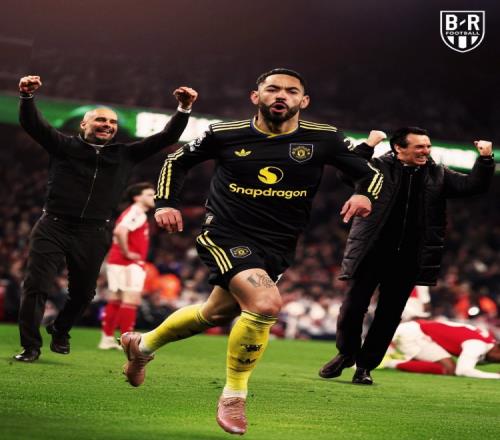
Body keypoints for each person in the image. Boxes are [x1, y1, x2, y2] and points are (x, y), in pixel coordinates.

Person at [118, 67, 385, 435]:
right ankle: (234, 395)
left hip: (279, 243)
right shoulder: (224, 133)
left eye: (291, 91)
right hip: (225, 233)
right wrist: (165, 202)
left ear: (304, 101)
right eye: (272, 89)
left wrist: (364, 193)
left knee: (215, 312)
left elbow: (371, 172)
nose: (282, 96)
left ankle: (142, 345)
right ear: (255, 96)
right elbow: (175, 161)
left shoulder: (324, 138)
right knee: (264, 304)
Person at [14, 75, 197, 362]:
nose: (107, 125)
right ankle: (31, 347)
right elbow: (33, 125)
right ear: (84, 125)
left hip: (94, 231)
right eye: (100, 120)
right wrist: (27, 97)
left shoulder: (125, 154)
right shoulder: (63, 146)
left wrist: (183, 109)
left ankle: (60, 328)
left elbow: (166, 137)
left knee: (84, 294)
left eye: (112, 122)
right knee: (36, 287)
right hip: (54, 225)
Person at [318, 127, 495, 385]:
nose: (426, 151)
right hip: (372, 251)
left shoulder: (438, 174)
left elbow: (473, 185)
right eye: (419, 147)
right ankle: (346, 353)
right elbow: (347, 173)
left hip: (410, 257)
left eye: (427, 146)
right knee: (352, 308)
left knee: (389, 316)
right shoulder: (378, 167)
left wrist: (486, 159)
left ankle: (365, 367)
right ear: (399, 148)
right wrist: (368, 146)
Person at [98, 182, 155, 350]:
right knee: (131, 299)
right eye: (149, 194)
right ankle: (127, 341)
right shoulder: (136, 212)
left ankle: (107, 339)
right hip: (128, 263)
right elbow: (120, 231)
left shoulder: (133, 212)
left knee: (116, 299)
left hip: (118, 261)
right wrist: (127, 252)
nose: (154, 197)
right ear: (137, 197)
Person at [383, 319, 500, 379]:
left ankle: (404, 359)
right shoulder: (477, 345)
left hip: (418, 331)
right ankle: (390, 362)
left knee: (446, 366)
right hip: (415, 334)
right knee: (450, 369)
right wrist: (496, 376)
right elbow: (462, 371)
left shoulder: (489, 343)